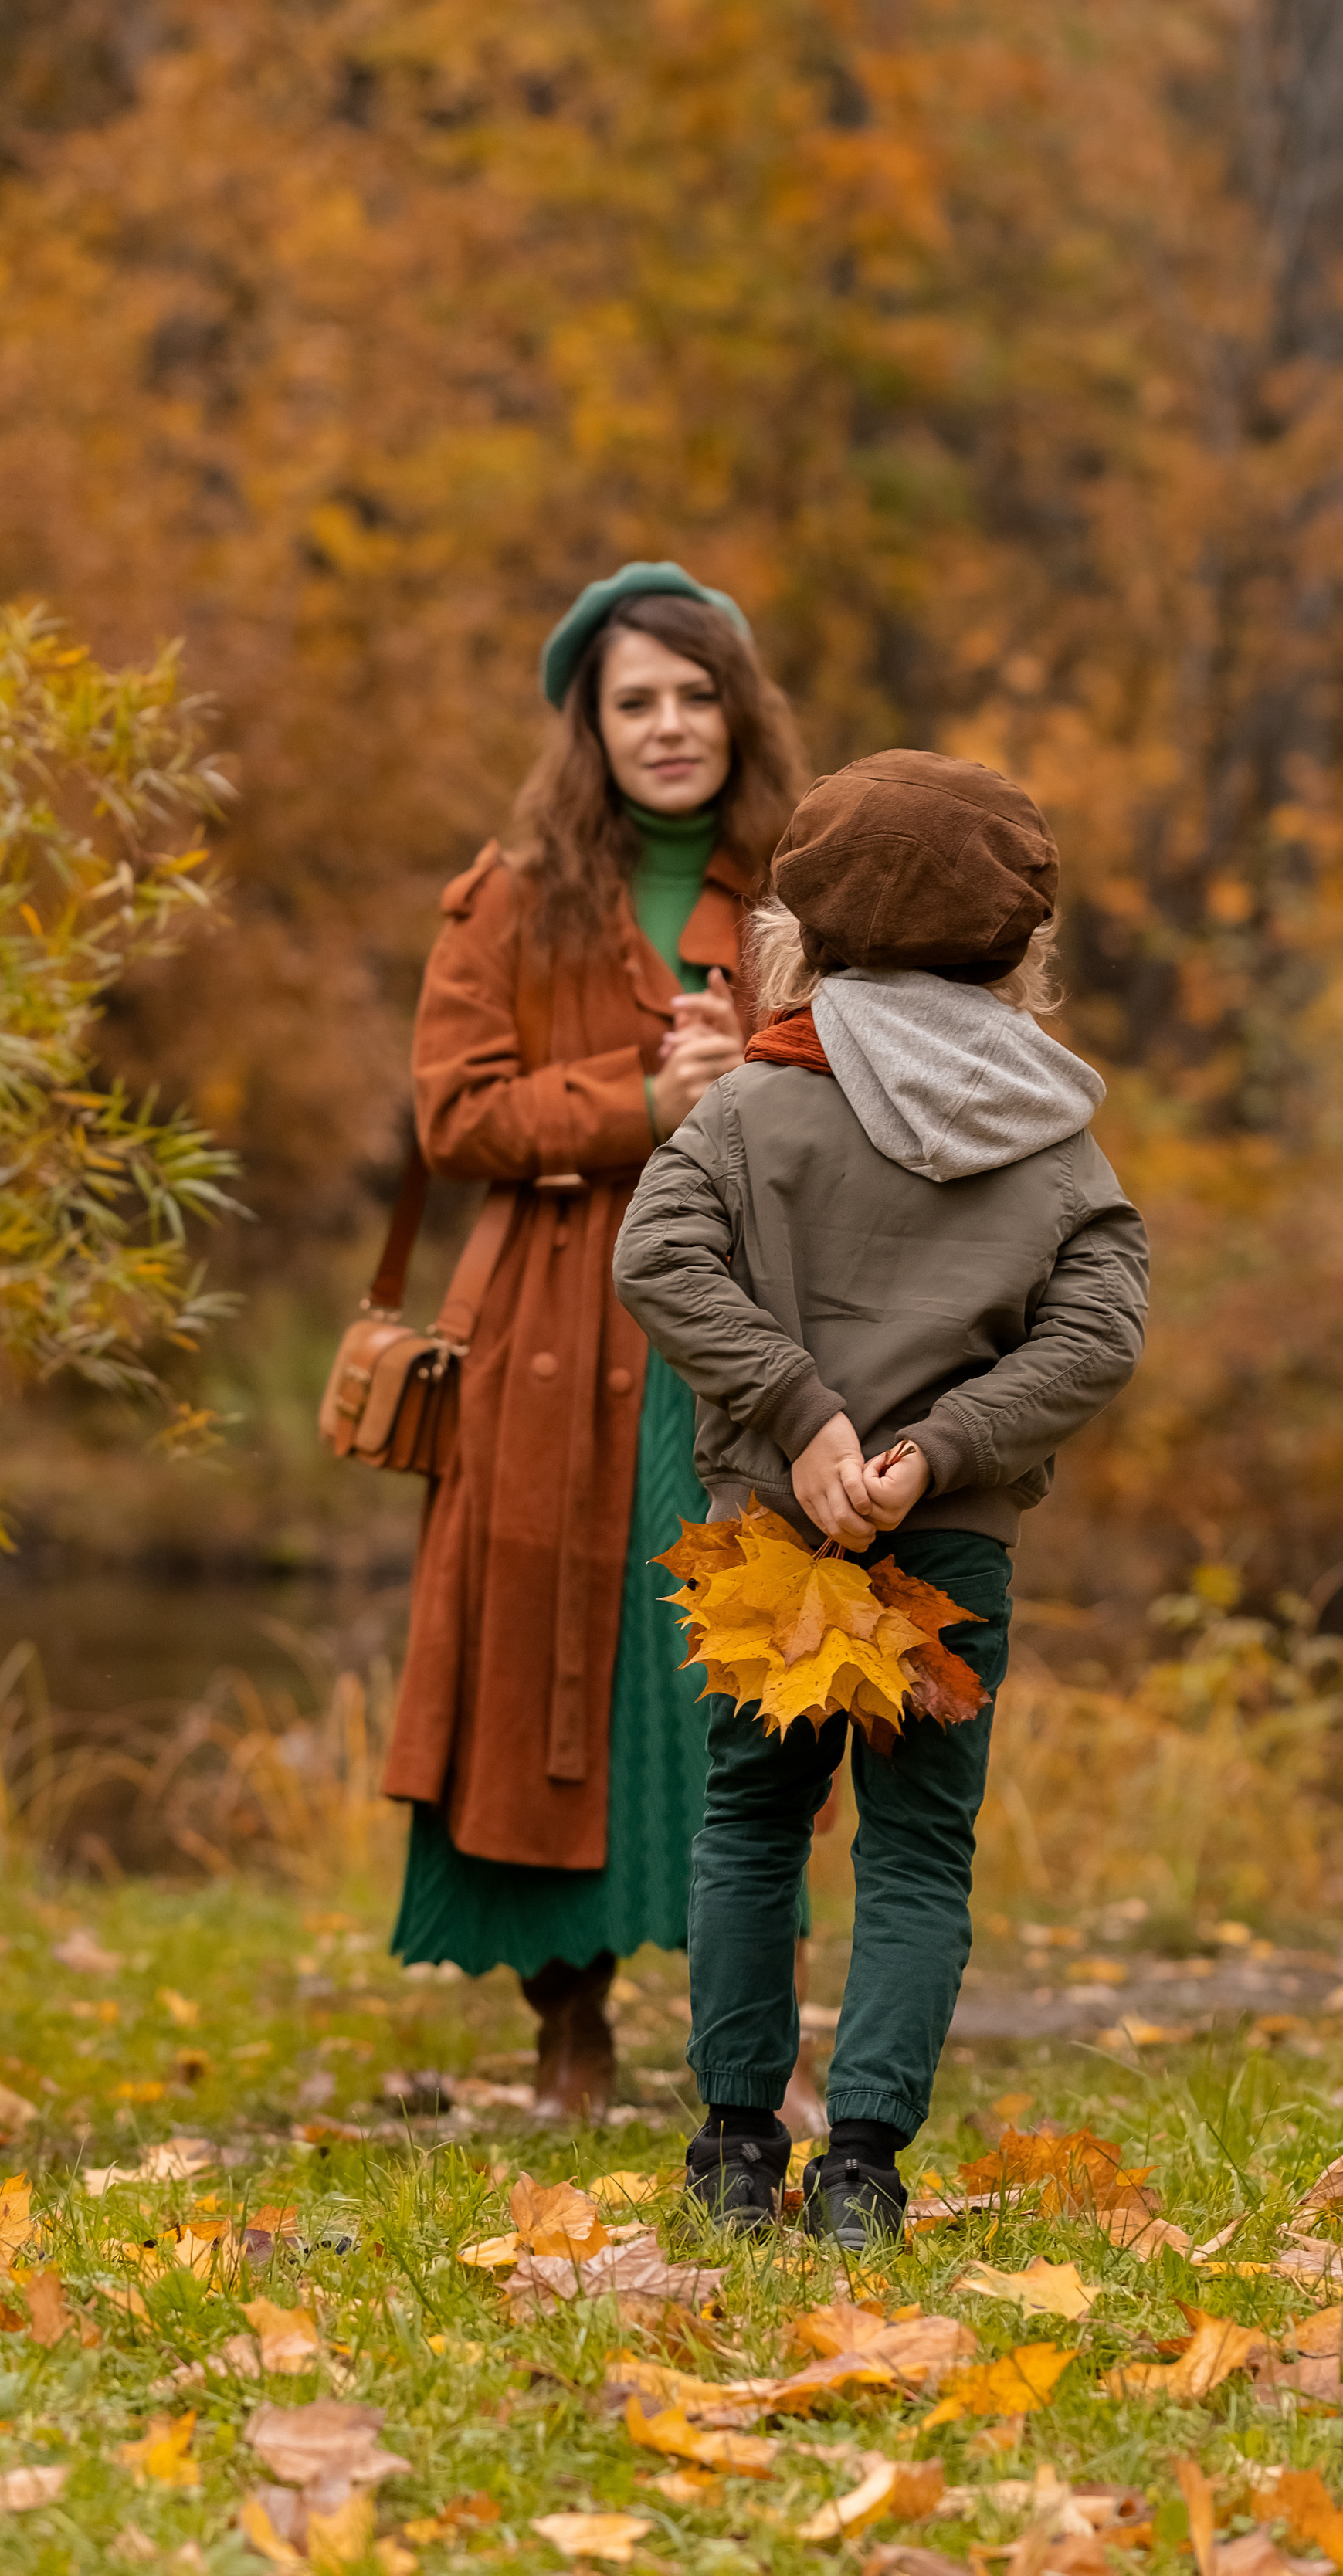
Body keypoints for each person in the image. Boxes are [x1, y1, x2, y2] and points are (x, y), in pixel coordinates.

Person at [612, 750, 1151, 2237]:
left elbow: (657, 1258)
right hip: (947, 1545)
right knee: (916, 1849)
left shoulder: (751, 1107)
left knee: (752, 1821)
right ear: (1019, 947)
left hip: (767, 1534)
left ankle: (735, 2153)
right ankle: (861, 2170)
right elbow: (1098, 1333)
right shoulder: (1054, 1136)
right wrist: (942, 1448)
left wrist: (799, 1415)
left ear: (805, 930)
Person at [383, 560, 809, 2118]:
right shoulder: (510, 897)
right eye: (636, 701)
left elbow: (878, 1091)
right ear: (591, 725)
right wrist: (639, 1103)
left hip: (739, 1334)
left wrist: (754, 1070)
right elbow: (453, 1115)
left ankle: (752, 2037)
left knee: (745, 1665)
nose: (670, 725)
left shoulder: (801, 894)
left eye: (697, 695)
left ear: (737, 713)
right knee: (543, 1669)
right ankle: (569, 2026)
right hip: (548, 1339)